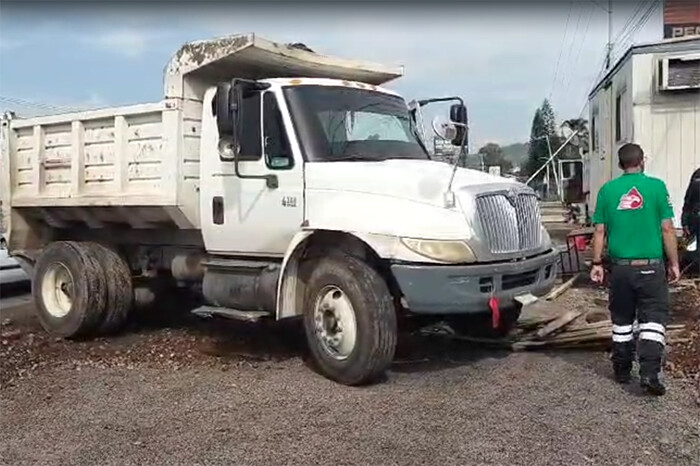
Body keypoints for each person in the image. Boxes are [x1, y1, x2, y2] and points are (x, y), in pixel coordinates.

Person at [590, 143, 680, 396]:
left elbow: (599, 231)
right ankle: (649, 374)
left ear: (620, 165)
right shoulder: (656, 187)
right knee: (652, 321)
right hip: (651, 267)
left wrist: (597, 263)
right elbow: (667, 228)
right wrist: (673, 263)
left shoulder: (607, 191)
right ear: (643, 160)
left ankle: (621, 370)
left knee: (622, 320)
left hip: (620, 270)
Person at [681, 167, 700, 273]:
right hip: (695, 220)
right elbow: (688, 200)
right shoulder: (697, 174)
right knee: (692, 251)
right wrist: (684, 221)